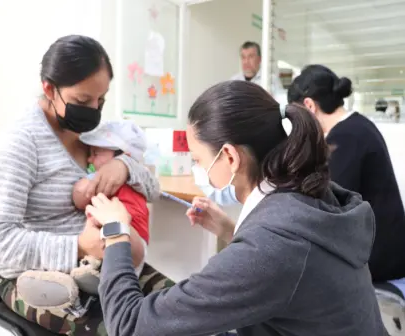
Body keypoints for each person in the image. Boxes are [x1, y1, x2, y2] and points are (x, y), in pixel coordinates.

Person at [87, 80, 386, 336]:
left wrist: (116, 231)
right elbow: (296, 271)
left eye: (197, 160)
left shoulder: (273, 246)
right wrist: (234, 231)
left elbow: (129, 326)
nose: (196, 168)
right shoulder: (314, 195)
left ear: (229, 157)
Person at [0, 35, 171, 336]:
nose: (94, 110)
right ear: (50, 89)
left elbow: (153, 188)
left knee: (186, 312)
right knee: (135, 329)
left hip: (107, 258)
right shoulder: (22, 142)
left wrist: (125, 166)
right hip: (37, 276)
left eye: (101, 99)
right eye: (83, 101)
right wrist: (78, 245)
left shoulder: (98, 134)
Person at [15, 120, 150, 312]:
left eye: (96, 153)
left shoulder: (112, 176)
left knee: (107, 239)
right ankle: (88, 277)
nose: (90, 160)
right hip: (123, 246)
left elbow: (79, 197)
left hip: (123, 238)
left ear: (123, 155)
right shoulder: (138, 176)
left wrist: (89, 182)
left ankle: (98, 278)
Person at [287, 64, 405, 283]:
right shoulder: (358, 125)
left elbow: (330, 205)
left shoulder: (344, 139)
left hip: (380, 258)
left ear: (309, 105)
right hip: (389, 247)